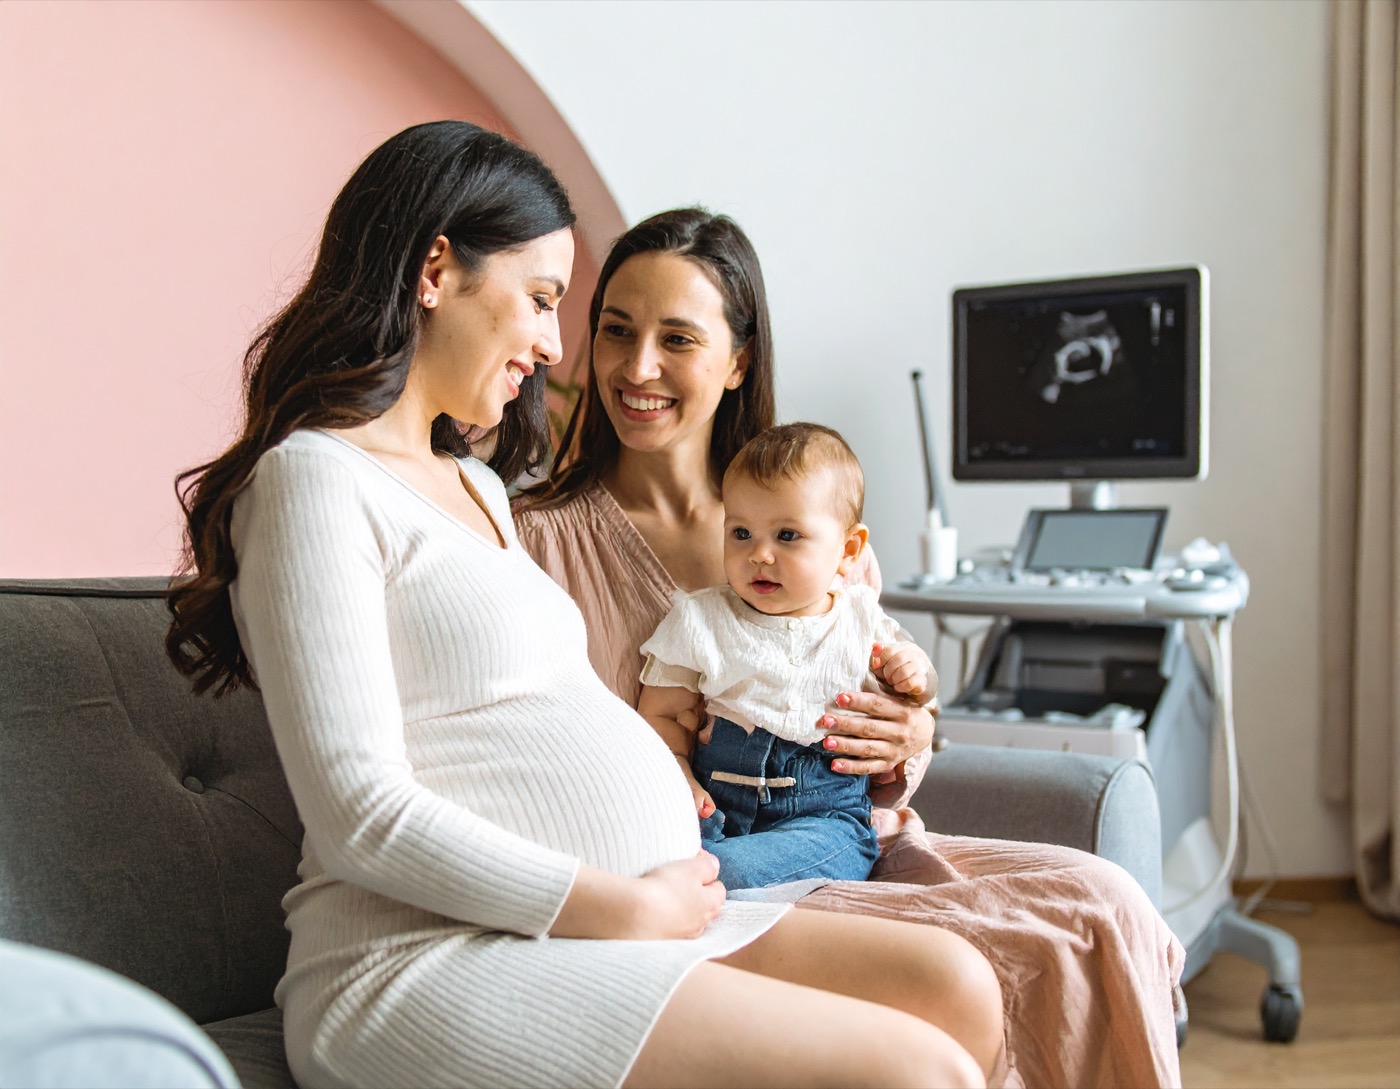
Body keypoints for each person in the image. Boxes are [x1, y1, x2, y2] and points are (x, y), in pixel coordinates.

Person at [165, 122, 1002, 1089]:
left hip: (598, 923)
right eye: (541, 298)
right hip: (425, 954)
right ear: (436, 270)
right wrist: (623, 904)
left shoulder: (475, 485)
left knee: (957, 986)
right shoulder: (313, 479)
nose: (557, 344)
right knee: (916, 1071)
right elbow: (360, 813)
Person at [514, 207, 1186, 1089]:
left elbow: (887, 704)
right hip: (689, 871)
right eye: (615, 330)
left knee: (1102, 903)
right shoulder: (533, 544)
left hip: (839, 839)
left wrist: (911, 735)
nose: (637, 367)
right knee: (966, 971)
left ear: (739, 360)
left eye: (677, 338)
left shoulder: (811, 517)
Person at [638, 422, 933, 889]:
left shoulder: (861, 619)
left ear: (848, 549)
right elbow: (662, 717)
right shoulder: (700, 618)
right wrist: (680, 778)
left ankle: (710, 877)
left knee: (722, 871)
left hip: (824, 816)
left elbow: (919, 692)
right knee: (641, 848)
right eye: (741, 532)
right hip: (713, 804)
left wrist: (916, 675)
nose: (759, 554)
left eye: (787, 535)